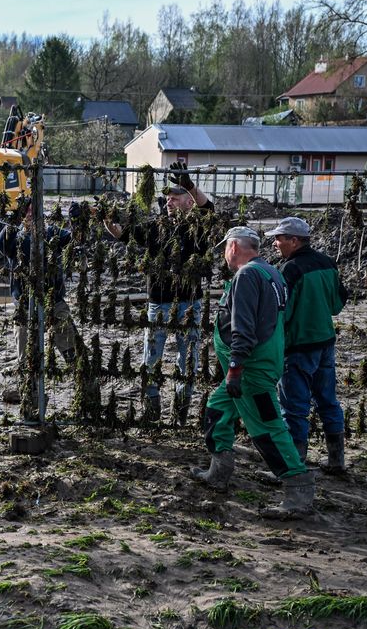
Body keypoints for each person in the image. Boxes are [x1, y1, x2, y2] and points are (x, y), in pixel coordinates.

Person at [191, 226, 314, 519]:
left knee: (268, 428)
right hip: (260, 361)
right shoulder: (271, 272)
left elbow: (243, 326)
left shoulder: (247, 275)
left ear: (233, 247)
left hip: (250, 369)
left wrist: (235, 368)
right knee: (217, 411)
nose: (225, 254)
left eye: (225, 248)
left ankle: (299, 491)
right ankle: (218, 472)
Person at [104, 163, 215, 419]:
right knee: (151, 359)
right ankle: (153, 411)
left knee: (187, 361)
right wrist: (106, 219)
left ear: (189, 202)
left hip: (189, 304)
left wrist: (189, 185)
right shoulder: (155, 227)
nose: (169, 202)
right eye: (167, 199)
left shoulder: (197, 227)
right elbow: (123, 235)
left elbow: (209, 210)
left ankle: (180, 411)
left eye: (175, 198)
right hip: (158, 303)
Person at [266, 216, 348, 473]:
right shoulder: (327, 263)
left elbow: (283, 313)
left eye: (278, 238)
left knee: (294, 407)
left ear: (294, 240)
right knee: (328, 401)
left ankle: (294, 463)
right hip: (325, 342)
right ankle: (336, 460)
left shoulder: (290, 270)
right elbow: (337, 304)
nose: (275, 243)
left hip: (298, 346)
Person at [0, 198, 81, 368]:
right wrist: (13, 221)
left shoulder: (52, 233)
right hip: (24, 306)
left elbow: (75, 239)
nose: (31, 214)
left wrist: (76, 222)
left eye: (35, 210)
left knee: (74, 355)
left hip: (54, 303)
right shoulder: (16, 237)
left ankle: (85, 385)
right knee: (28, 362)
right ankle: (33, 392)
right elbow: (1, 245)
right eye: (28, 211)